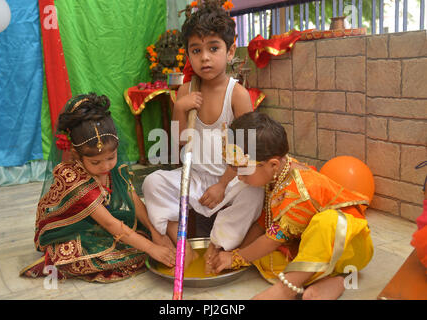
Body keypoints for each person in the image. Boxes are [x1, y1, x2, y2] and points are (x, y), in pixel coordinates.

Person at [142, 3, 264, 270]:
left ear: (230, 51)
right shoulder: (186, 91)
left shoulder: (238, 95)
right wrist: (179, 108)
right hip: (194, 178)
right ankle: (178, 236)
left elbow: (247, 152)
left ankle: (219, 243)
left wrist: (222, 184)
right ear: (188, 55)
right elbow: (180, 143)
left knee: (255, 192)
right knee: (152, 182)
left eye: (213, 48)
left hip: (230, 180)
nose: (205, 58)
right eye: (196, 51)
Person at [210, 112, 374, 300]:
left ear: (272, 164)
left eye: (244, 170)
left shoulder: (299, 190)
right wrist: (237, 255)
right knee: (260, 256)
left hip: (350, 248)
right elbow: (264, 223)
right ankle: (334, 280)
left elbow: (273, 238)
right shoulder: (277, 172)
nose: (239, 176)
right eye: (235, 168)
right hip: (314, 247)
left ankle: (286, 289)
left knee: (327, 221)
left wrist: (237, 258)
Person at [20, 93, 175, 282]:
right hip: (71, 232)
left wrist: (154, 232)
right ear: (76, 154)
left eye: (111, 158)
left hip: (101, 221)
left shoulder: (111, 164)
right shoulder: (73, 180)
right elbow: (111, 224)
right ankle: (55, 259)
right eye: (95, 162)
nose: (106, 167)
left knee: (151, 235)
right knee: (128, 254)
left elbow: (132, 196)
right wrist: (152, 248)